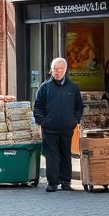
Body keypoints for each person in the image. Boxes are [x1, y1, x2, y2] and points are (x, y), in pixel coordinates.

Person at [33, 57, 85, 193]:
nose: (56, 72)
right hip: (50, 129)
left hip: (67, 128)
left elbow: (79, 107)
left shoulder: (72, 87)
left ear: (65, 70)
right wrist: (43, 122)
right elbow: (37, 107)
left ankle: (66, 181)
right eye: (54, 69)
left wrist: (74, 120)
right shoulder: (45, 87)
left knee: (66, 154)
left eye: (59, 69)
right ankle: (53, 182)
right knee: (52, 156)